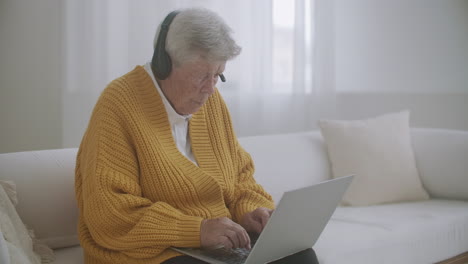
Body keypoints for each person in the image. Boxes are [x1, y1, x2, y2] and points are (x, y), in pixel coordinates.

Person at [75, 8, 275, 264]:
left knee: (300, 255)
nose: (211, 89)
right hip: (152, 251)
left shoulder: (211, 103)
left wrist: (249, 210)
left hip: (216, 246)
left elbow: (239, 178)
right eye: (202, 76)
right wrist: (198, 231)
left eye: (218, 75)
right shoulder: (119, 104)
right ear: (165, 64)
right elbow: (109, 213)